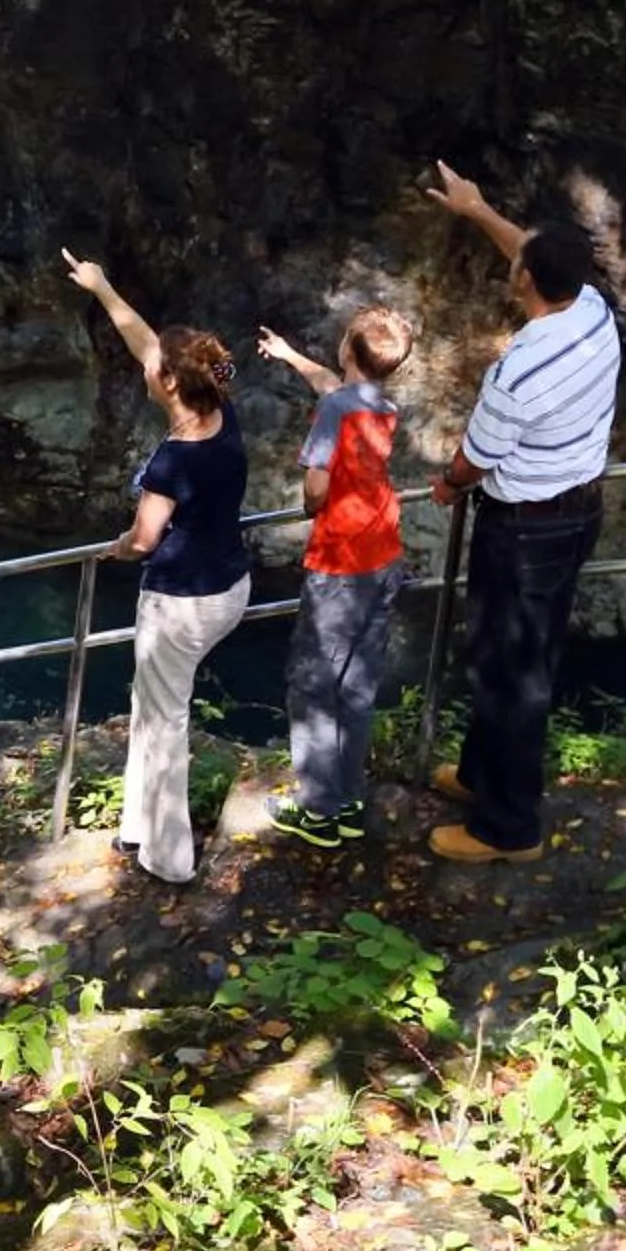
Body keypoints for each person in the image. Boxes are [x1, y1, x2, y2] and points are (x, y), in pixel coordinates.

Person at [423, 160, 623, 864]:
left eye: (520, 264)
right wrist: (476, 209)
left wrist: (446, 486)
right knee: (515, 657)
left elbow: (474, 458)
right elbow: (529, 251)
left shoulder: (520, 368)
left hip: (526, 529)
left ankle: (507, 829)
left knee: (512, 673)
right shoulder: (594, 312)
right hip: (575, 514)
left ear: (527, 283)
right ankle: (482, 777)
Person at [62, 249, 251, 884]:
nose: (145, 366)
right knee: (152, 704)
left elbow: (143, 540)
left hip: (180, 603)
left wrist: (113, 547)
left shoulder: (175, 458)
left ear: (169, 382)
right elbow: (148, 343)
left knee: (166, 720)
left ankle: (170, 859)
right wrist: (102, 286)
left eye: (154, 368)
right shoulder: (221, 412)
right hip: (229, 586)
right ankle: (136, 827)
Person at [256, 304, 417, 848]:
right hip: (383, 555)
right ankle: (347, 800)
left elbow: (318, 484)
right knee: (356, 687)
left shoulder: (335, 412)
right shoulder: (381, 404)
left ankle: (318, 812)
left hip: (341, 561)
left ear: (347, 348)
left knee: (313, 684)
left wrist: (308, 507)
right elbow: (336, 388)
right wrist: (288, 356)